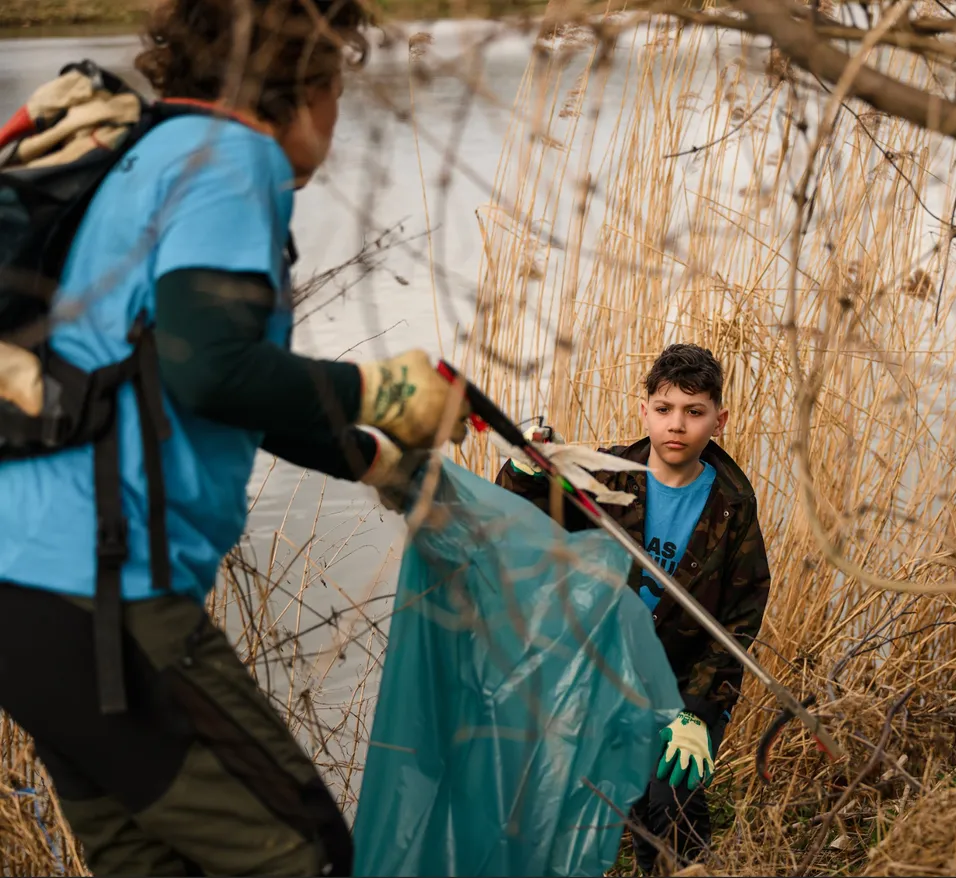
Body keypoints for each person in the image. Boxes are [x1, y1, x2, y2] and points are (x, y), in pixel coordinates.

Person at [0, 2, 471, 875]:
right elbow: (210, 368)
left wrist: (367, 452)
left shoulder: (148, 154)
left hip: (27, 599)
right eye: (338, 84)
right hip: (105, 596)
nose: (336, 113)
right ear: (305, 80)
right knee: (304, 851)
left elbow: (188, 384)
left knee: (156, 864)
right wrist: (383, 386)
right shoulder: (230, 162)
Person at [494, 343, 772, 875]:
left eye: (695, 412)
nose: (677, 425)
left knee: (672, 804)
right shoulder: (605, 476)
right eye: (664, 409)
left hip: (681, 683)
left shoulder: (733, 504)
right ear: (643, 409)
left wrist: (699, 710)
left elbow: (738, 622)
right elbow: (522, 521)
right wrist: (526, 468)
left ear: (720, 419)